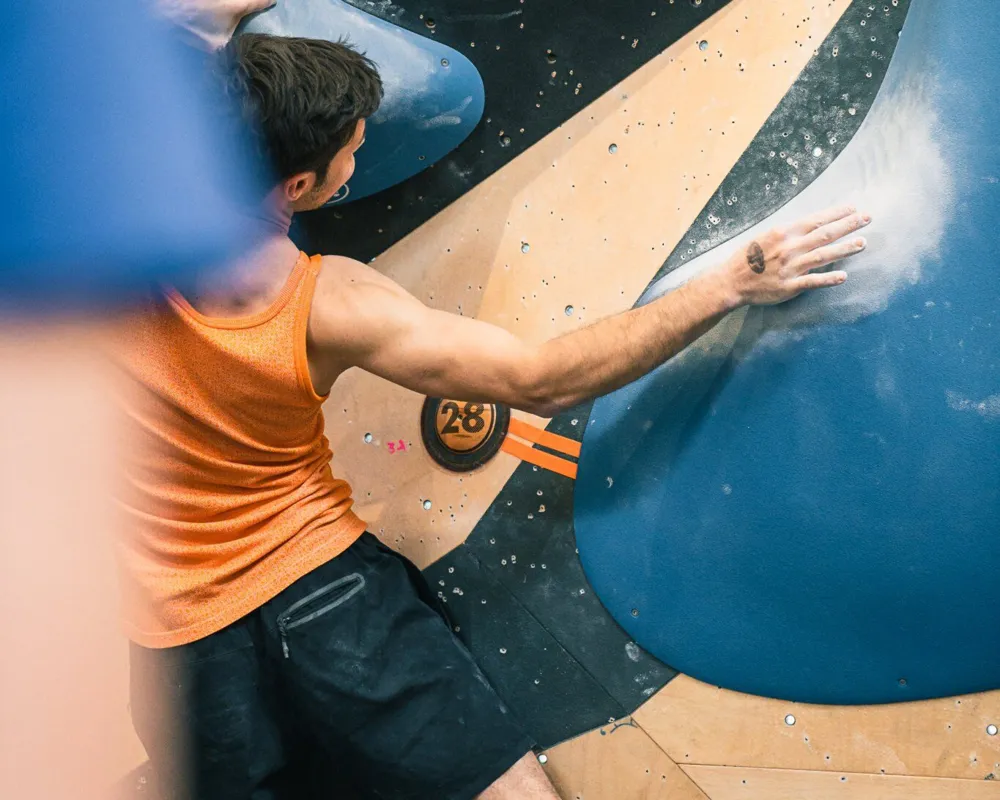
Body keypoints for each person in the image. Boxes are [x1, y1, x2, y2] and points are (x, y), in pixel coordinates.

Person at [113, 33, 871, 800]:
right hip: (319, 589)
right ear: (299, 185)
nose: (358, 158)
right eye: (350, 154)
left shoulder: (81, 232)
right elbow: (542, 380)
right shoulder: (325, 304)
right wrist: (736, 281)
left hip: (176, 639)